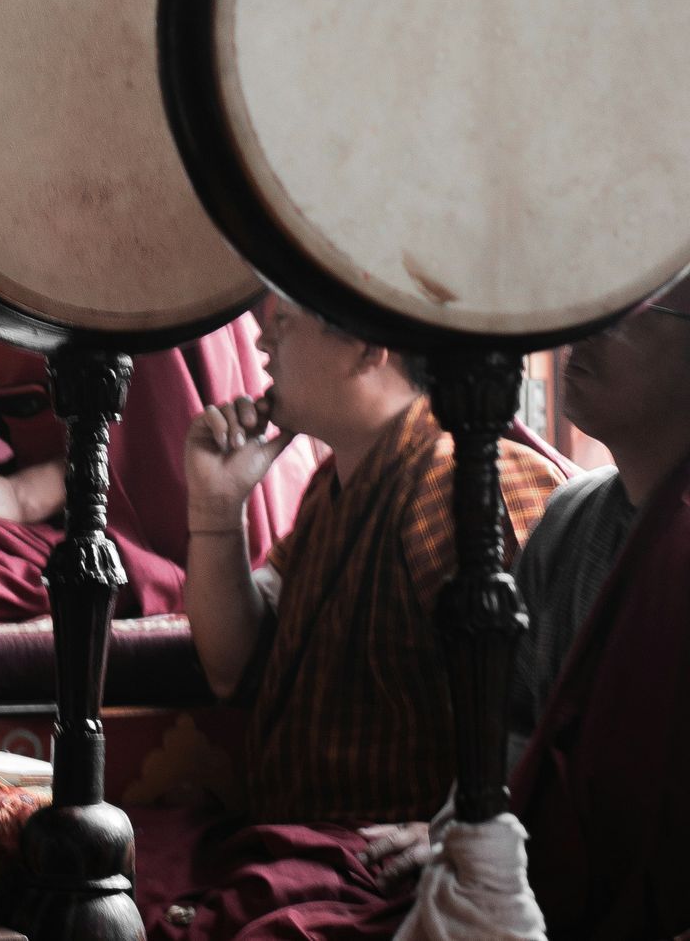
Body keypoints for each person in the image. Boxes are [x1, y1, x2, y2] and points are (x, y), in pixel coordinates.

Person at [129, 292, 563, 939]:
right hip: (298, 844)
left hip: (377, 863)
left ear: (368, 344)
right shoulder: (329, 486)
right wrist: (216, 510)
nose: (261, 344)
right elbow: (231, 670)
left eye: (283, 322)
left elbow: (553, 708)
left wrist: (458, 828)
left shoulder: (467, 483)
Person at [0, 311, 316, 621]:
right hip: (53, 512)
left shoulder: (121, 246)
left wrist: (17, 495)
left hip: (166, 516)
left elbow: (164, 459)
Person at [507, 285, 690, 939]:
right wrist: (478, 831)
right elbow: (518, 720)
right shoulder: (570, 516)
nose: (581, 329)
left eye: (626, 313)